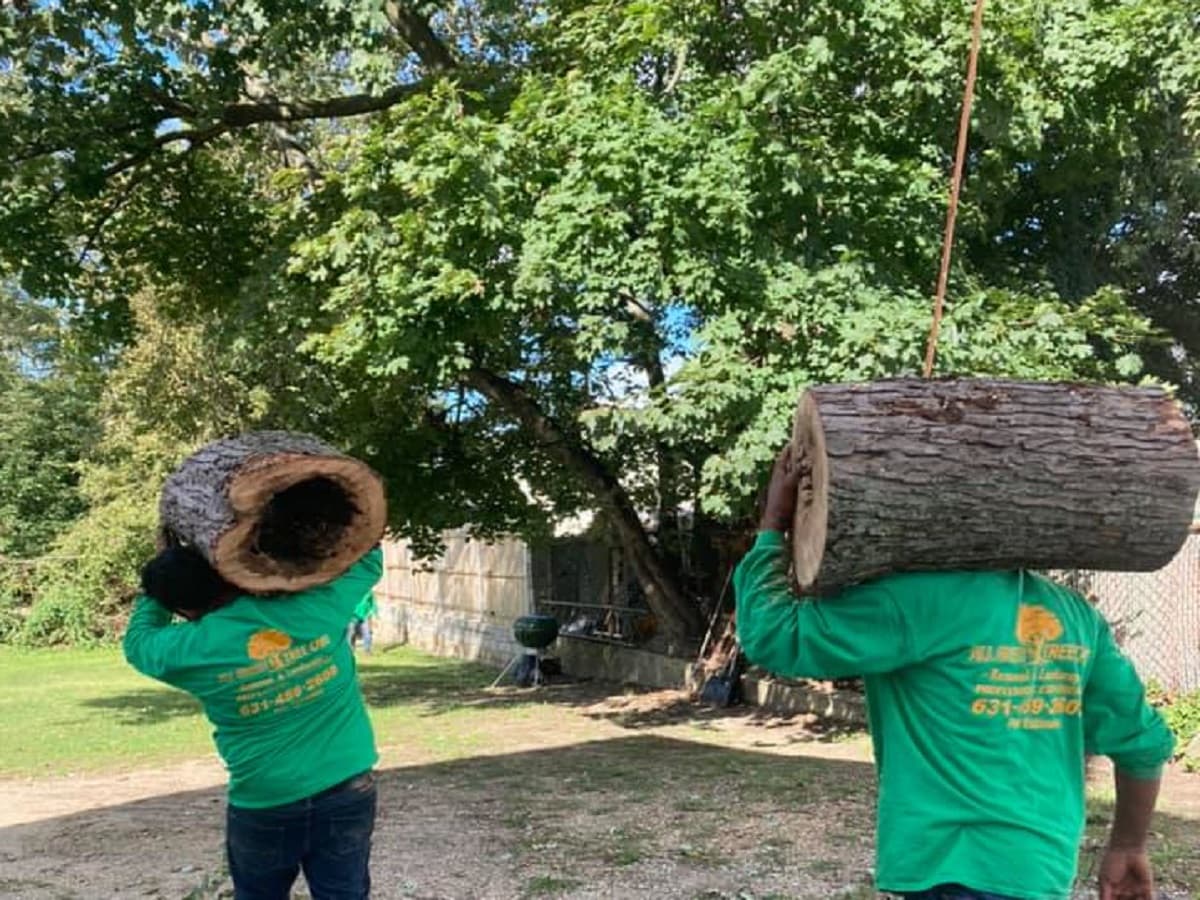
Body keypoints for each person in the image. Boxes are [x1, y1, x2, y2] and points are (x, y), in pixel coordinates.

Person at [734, 445, 1175, 900]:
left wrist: (773, 525)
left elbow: (772, 633)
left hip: (949, 869)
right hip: (1039, 872)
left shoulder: (914, 600)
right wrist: (1127, 845)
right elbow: (1144, 742)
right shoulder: (1076, 617)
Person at [125, 540, 383, 900]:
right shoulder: (313, 605)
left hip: (265, 801)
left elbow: (138, 641)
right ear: (228, 574)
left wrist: (158, 584)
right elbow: (368, 556)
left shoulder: (190, 651)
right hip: (346, 787)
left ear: (183, 609)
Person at [348, 590, 377, 654]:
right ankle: (350, 649)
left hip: (364, 616)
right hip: (353, 616)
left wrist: (373, 612)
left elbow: (373, 603)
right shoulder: (353, 591)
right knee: (351, 633)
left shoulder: (369, 592)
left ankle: (367, 650)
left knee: (367, 633)